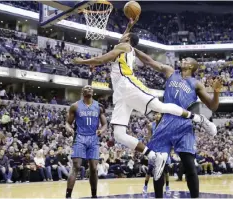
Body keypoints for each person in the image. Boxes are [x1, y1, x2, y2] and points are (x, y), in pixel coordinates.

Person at [73, 18, 216, 181]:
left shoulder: (124, 46)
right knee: (119, 135)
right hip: (120, 93)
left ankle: (199, 118)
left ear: (127, 40)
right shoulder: (124, 44)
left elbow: (100, 60)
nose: (122, 36)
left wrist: (82, 61)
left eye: (125, 35)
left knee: (159, 107)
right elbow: (125, 36)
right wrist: (129, 24)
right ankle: (154, 156)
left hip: (128, 84)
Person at [134, 49, 222, 198]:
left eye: (187, 60)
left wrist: (217, 92)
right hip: (165, 123)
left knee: (190, 167)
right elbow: (149, 61)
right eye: (183, 59)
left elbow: (213, 106)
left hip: (183, 125)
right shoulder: (170, 71)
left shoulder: (196, 84)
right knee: (158, 166)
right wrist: (133, 49)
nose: (183, 60)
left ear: (192, 66)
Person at [65, 85, 107, 198]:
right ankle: (68, 196)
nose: (88, 89)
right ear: (82, 92)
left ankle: (94, 195)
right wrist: (69, 128)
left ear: (93, 92)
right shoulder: (75, 106)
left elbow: (105, 124)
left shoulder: (99, 106)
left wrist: (101, 131)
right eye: (86, 88)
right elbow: (68, 122)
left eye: (90, 88)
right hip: (80, 137)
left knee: (93, 168)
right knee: (76, 166)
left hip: (93, 138)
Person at [143, 113, 171, 194]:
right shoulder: (151, 125)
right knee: (150, 170)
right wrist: (148, 132)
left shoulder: (165, 125)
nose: (157, 115)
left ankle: (167, 187)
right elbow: (149, 138)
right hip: (154, 149)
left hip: (164, 149)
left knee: (166, 170)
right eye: (155, 114)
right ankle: (145, 186)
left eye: (158, 114)